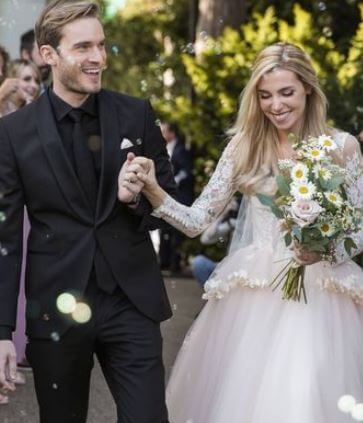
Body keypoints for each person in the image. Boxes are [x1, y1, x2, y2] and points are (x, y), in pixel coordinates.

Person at [124, 42, 363, 422]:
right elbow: (197, 220)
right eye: (265, 95)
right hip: (256, 294)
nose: (276, 105)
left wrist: (325, 249)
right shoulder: (245, 146)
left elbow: (359, 230)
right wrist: (155, 192)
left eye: (286, 92)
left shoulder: (342, 147)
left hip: (325, 296)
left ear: (308, 89)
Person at [0, 1, 176, 422]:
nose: (98, 57)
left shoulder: (136, 113)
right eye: (83, 47)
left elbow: (170, 203)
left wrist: (137, 197)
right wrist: (2, 331)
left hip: (129, 302)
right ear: (48, 55)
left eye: (101, 45)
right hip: (55, 308)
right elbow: (4, 238)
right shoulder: (12, 133)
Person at [159, 122, 194, 274]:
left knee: (176, 232)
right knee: (164, 230)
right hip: (168, 197)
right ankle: (164, 262)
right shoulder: (164, 149)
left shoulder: (181, 150)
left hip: (180, 197)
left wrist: (173, 182)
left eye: (164, 131)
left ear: (172, 133)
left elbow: (187, 172)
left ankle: (175, 265)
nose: (161, 134)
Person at [192, 196, 239, 287]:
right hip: (227, 269)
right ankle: (214, 296)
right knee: (199, 262)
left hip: (244, 270)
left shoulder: (248, 225)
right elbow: (205, 239)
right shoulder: (231, 224)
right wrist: (224, 213)